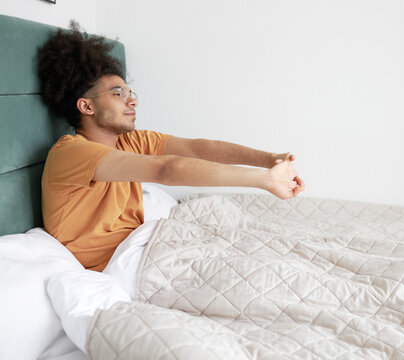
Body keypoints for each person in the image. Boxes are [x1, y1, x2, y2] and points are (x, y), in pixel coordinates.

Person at [38, 23, 305, 272]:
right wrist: (264, 181)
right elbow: (167, 170)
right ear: (86, 106)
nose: (132, 102)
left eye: (131, 94)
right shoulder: (70, 153)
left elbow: (198, 149)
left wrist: (270, 160)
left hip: (146, 248)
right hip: (120, 266)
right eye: (118, 93)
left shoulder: (129, 141)